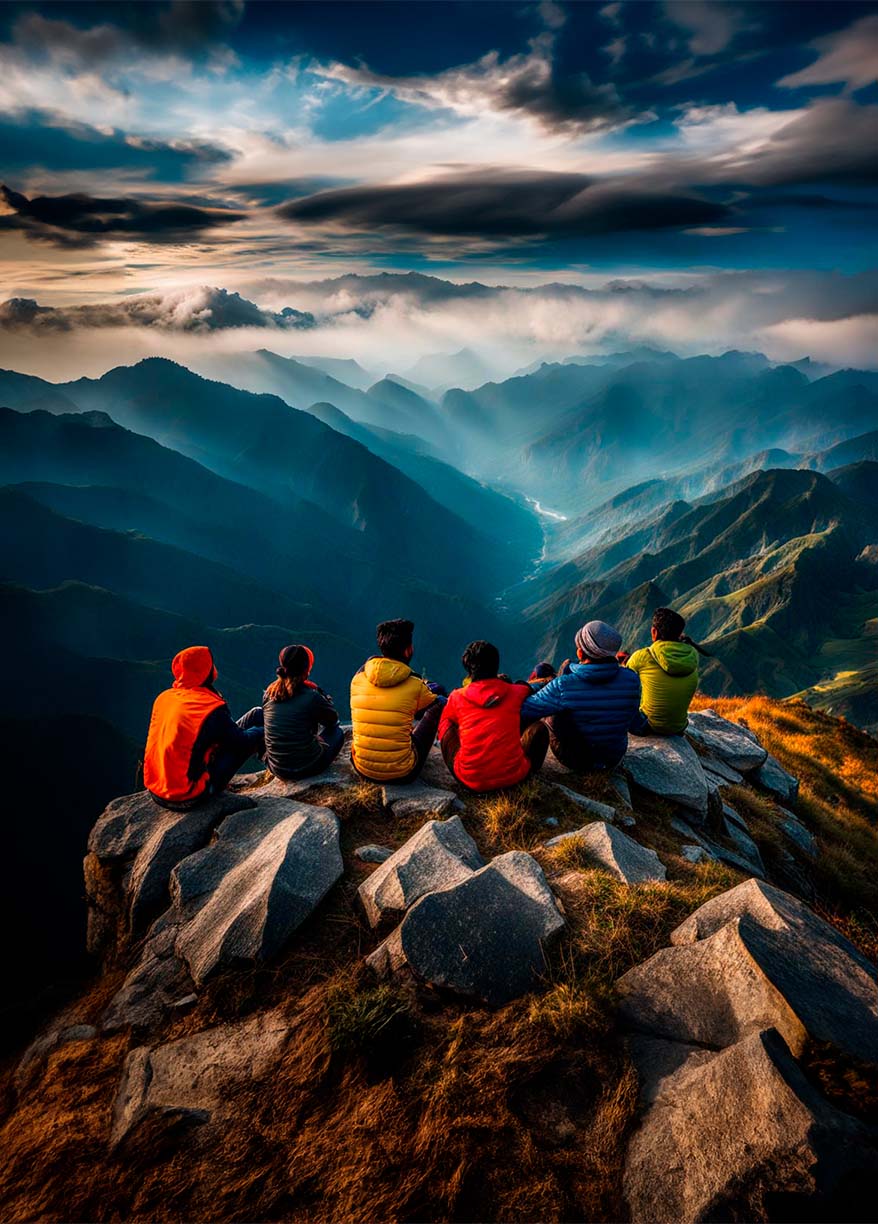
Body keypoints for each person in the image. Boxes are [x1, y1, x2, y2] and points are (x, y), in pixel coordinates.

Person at [144, 645, 265, 809]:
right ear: (205, 671)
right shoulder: (209, 708)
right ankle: (282, 770)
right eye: (211, 665)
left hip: (157, 789)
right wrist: (264, 731)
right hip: (188, 795)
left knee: (257, 714)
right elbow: (242, 743)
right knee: (261, 731)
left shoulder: (165, 698)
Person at [521, 620, 648, 772]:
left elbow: (526, 710)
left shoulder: (564, 684)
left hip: (578, 761)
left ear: (580, 652)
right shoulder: (632, 679)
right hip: (613, 758)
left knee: (552, 715)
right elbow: (631, 717)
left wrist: (530, 687)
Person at [439, 640, 550, 792]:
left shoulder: (457, 697)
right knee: (539, 728)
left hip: (471, 781)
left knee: (446, 721)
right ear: (496, 666)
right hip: (514, 778)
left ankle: (472, 764)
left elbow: (447, 723)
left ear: (468, 669)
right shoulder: (516, 692)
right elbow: (529, 688)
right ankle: (527, 772)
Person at [350, 618, 446, 783]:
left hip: (362, 768)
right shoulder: (414, 684)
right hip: (402, 773)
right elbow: (430, 704)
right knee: (440, 702)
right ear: (408, 650)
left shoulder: (358, 678)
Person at [262, 644, 344, 780]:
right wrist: (324, 700)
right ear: (306, 669)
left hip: (276, 768)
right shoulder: (311, 697)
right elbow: (332, 721)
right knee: (337, 732)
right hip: (307, 767)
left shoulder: (269, 693)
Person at [626, 607, 710, 735]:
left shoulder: (642, 656)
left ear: (654, 632)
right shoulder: (692, 656)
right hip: (679, 727)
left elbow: (623, 681)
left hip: (647, 726)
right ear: (679, 633)